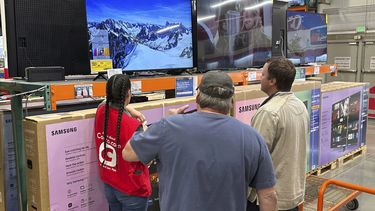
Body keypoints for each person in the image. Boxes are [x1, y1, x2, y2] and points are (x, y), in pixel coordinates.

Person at [122, 71, 278, 211]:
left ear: (198, 97)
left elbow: (128, 153)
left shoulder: (167, 127)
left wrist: (166, 121)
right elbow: (268, 196)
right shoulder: (252, 137)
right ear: (231, 101)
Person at [247, 57, 310, 211]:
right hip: (292, 195)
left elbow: (255, 157)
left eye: (262, 75)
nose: (260, 78)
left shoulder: (269, 112)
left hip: (267, 201)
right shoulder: (300, 105)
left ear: (272, 81)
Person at [94, 74, 151, 211]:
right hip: (131, 189)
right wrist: (145, 132)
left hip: (110, 183)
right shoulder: (133, 126)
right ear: (129, 93)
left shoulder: (101, 111)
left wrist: (128, 109)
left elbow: (104, 102)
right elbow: (146, 160)